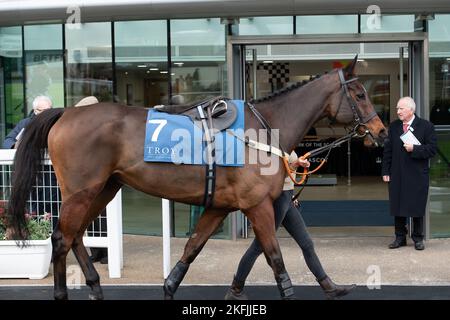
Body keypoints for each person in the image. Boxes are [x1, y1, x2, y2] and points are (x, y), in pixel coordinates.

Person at [225, 151, 356, 300]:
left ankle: (328, 287)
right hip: (277, 200)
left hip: (287, 198)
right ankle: (235, 289)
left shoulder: (286, 142)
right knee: (258, 246)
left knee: (306, 244)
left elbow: (287, 173)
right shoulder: (271, 144)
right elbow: (270, 176)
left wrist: (292, 189)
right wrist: (295, 164)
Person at [382, 96, 437, 251]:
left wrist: (415, 149)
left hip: (417, 174)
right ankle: (400, 237)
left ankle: (418, 238)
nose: (398, 111)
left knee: (416, 205)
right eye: (397, 108)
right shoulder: (394, 127)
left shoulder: (426, 127)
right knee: (398, 204)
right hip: (397, 173)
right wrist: (385, 170)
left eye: (401, 108)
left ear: (411, 110)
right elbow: (388, 151)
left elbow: (432, 150)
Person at [73, 96, 108, 264]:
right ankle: (96, 251)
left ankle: (106, 252)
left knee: (102, 215)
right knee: (90, 214)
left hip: (101, 178)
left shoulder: (103, 128)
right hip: (88, 177)